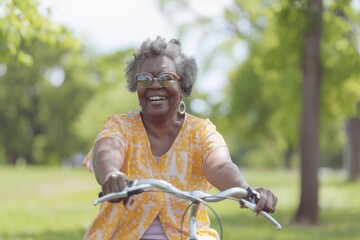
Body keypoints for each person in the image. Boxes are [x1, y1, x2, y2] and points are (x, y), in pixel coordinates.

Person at [82, 36, 277, 240]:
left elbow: (220, 166)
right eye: (145, 79)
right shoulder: (121, 126)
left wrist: (248, 191)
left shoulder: (201, 131)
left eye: (166, 78)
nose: (155, 85)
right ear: (136, 85)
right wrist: (112, 174)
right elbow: (106, 151)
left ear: (183, 85)